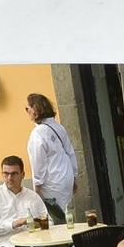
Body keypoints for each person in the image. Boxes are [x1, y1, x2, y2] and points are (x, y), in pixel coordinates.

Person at [0, 155, 49, 247]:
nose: (10, 178)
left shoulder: (33, 196)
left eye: (14, 174)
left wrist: (33, 223)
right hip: (6, 243)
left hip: (31, 242)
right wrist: (13, 224)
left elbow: (48, 222)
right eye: (6, 173)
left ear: (22, 174)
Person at [25, 93, 78, 223]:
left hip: (52, 181)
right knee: (64, 214)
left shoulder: (38, 133)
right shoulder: (58, 127)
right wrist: (74, 175)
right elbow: (70, 152)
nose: (27, 112)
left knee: (54, 219)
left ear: (35, 109)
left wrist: (37, 185)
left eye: (27, 108)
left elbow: (39, 161)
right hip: (66, 177)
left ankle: (65, 242)